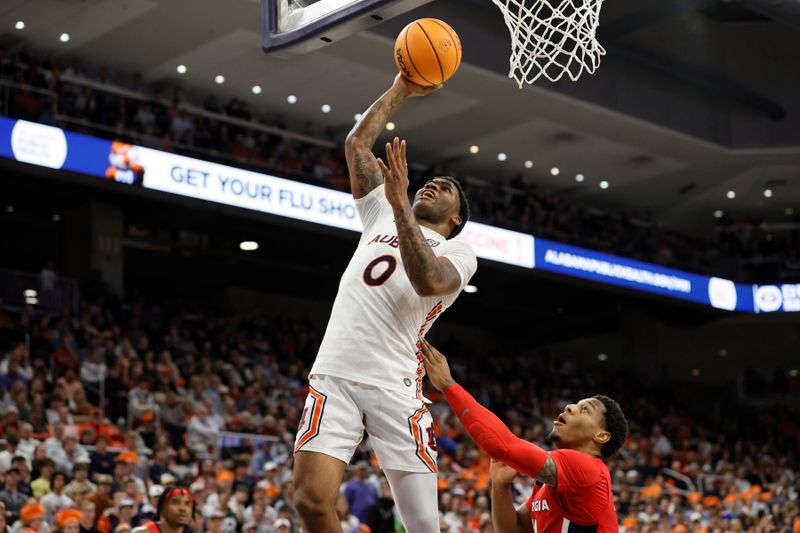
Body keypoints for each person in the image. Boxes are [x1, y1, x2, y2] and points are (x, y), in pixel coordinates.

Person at [293, 73, 477, 533]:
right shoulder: (380, 211)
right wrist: (402, 88)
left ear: (455, 219)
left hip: (395, 385)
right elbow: (357, 145)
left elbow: (428, 281)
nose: (433, 184)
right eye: (431, 180)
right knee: (311, 502)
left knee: (421, 527)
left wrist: (399, 206)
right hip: (335, 370)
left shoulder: (459, 253)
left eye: (446, 188)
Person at [419, 340, 629, 533]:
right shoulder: (549, 483)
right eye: (576, 403)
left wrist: (448, 385)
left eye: (585, 409)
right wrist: (500, 487)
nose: (569, 406)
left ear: (601, 436)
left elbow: (503, 445)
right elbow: (515, 530)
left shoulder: (588, 469)